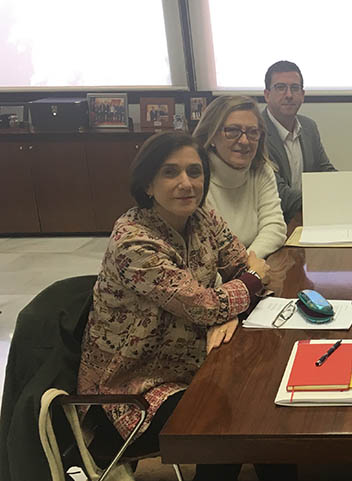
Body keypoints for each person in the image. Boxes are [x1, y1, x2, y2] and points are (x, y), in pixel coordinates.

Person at [76, 131, 292, 481]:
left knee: (269, 394)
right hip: (134, 389)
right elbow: (223, 294)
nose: (186, 183)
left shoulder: (203, 219)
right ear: (147, 183)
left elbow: (242, 270)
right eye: (169, 172)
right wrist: (235, 296)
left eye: (195, 172)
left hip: (196, 362)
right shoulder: (133, 241)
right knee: (232, 417)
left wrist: (230, 309)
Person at [193, 95, 287, 259]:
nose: (244, 140)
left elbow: (275, 227)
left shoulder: (261, 170)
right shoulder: (194, 176)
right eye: (233, 131)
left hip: (250, 269)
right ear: (212, 135)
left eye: (253, 132)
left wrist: (245, 265)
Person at [263, 60, 336, 222]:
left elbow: (325, 170)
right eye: (280, 87)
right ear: (267, 95)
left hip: (307, 216)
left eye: (295, 88)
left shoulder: (309, 126)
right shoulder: (256, 132)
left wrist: (348, 188)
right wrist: (327, 199)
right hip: (273, 221)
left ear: (302, 95)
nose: (289, 95)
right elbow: (278, 193)